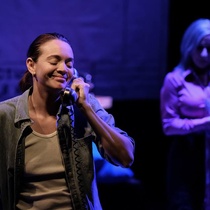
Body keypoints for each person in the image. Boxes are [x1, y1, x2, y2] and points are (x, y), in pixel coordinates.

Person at [0, 32, 135, 210]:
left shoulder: (85, 108)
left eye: (69, 63)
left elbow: (125, 157)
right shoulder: (6, 115)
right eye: (54, 61)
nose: (63, 69)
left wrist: (86, 108)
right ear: (31, 65)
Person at [160, 18, 210, 210]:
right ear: (189, 45)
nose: (205, 54)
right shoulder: (175, 80)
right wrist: (205, 123)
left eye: (209, 48)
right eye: (199, 48)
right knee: (185, 203)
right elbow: (169, 125)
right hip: (188, 152)